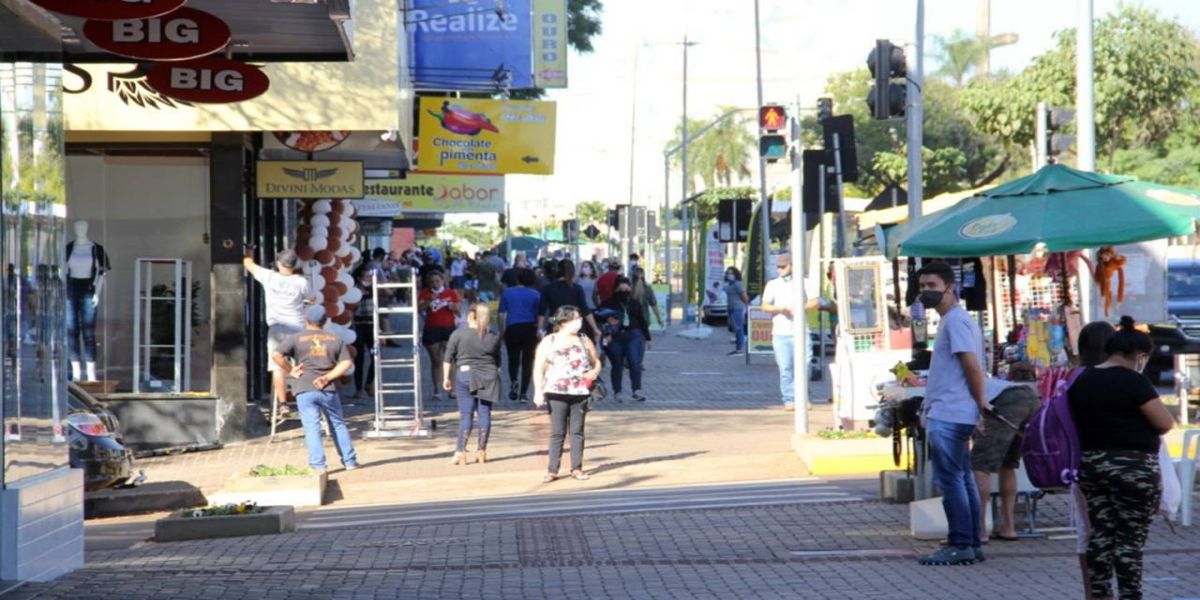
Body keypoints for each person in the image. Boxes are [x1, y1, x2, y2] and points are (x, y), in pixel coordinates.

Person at [1069, 316, 1174, 600]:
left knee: (1100, 534)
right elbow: (1164, 423)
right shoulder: (1134, 381)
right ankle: (1130, 594)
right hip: (1133, 469)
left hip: (1092, 467)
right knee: (1129, 537)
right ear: (1139, 356)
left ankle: (1100, 593)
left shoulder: (1083, 380)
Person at [913, 261, 988, 566]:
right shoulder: (954, 320)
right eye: (922, 287)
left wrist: (980, 404)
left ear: (949, 287)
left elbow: (971, 365)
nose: (926, 292)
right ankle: (970, 541)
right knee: (962, 478)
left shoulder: (956, 321)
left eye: (931, 286)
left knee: (951, 480)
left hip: (950, 413)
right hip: (955, 411)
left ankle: (960, 542)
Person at [271, 306, 359, 472]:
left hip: (304, 387)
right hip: (328, 388)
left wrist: (291, 370)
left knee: (311, 427)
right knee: (337, 424)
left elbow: (276, 355)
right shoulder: (335, 339)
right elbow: (346, 363)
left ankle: (318, 465)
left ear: (305, 319)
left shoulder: (296, 338)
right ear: (325, 321)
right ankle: (349, 461)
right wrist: (328, 377)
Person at [1069, 320, 1118, 599]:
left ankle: (1094, 592)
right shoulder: (1123, 377)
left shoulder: (1074, 378)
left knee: (1086, 532)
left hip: (1080, 464)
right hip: (1121, 463)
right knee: (1118, 530)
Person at [533, 305, 602, 483]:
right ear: (563, 322)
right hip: (556, 391)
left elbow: (596, 361)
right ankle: (552, 469)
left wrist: (594, 372)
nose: (579, 322)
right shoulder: (550, 340)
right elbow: (538, 367)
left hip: (580, 391)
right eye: (575, 319)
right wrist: (538, 390)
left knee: (577, 431)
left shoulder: (584, 339)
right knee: (557, 431)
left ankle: (576, 468)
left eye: (579, 318)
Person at [244, 247, 315, 409]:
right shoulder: (301, 282)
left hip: (276, 328)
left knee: (277, 366)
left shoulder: (269, 277)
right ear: (295, 264)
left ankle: (283, 404)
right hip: (298, 328)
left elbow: (248, 263)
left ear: (278, 263)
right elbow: (312, 298)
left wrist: (249, 251)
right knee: (304, 364)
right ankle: (307, 400)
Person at [970, 379, 1040, 542]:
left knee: (979, 463)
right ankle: (1008, 527)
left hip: (1006, 402)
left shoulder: (949, 391)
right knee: (1008, 464)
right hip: (1030, 397)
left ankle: (979, 529)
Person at [760, 253, 831, 410]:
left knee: (804, 365)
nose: (780, 270)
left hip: (801, 331)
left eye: (783, 267)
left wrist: (800, 308)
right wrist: (780, 308)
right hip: (780, 333)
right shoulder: (773, 284)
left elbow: (816, 302)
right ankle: (789, 400)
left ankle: (803, 397)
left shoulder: (805, 282)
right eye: (778, 267)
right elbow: (764, 305)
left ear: (792, 266)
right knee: (785, 368)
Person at [443, 303, 502, 465]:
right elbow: (498, 361)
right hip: (488, 375)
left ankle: (460, 451)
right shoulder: (493, 335)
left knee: (466, 415)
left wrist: (446, 378)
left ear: (470, 316)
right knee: (484, 413)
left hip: (465, 374)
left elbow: (448, 358)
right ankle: (482, 450)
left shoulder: (458, 334)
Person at [598, 277, 652, 402]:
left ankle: (637, 390)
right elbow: (598, 316)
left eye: (626, 287)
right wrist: (607, 320)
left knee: (634, 362)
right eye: (621, 287)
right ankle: (618, 391)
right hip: (614, 336)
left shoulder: (634, 303)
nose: (624, 290)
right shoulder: (608, 303)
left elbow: (642, 321)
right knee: (617, 364)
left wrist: (648, 338)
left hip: (633, 334)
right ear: (616, 288)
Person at [499, 269, 542, 403]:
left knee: (513, 359)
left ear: (518, 279)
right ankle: (523, 393)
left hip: (512, 328)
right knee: (528, 362)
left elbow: (501, 314)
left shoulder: (507, 292)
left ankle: (513, 381)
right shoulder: (536, 294)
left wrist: (502, 331)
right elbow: (538, 314)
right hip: (530, 329)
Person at [419, 272, 461, 402]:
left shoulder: (451, 293)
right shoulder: (425, 293)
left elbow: (459, 312)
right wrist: (429, 300)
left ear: (443, 281)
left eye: (437, 281)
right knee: (436, 361)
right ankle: (436, 390)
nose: (435, 284)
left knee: (450, 361)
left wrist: (453, 307)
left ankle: (451, 389)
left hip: (448, 329)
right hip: (432, 329)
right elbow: (418, 308)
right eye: (432, 281)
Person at [537, 259, 599, 342]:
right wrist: (595, 328)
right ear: (572, 271)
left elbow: (542, 312)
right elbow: (585, 310)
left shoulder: (548, 288)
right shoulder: (577, 288)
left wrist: (540, 329)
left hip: (555, 322)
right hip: (574, 325)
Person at [351, 267, 376, 401]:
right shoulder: (354, 291)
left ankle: (369, 383)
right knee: (358, 359)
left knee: (375, 356)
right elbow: (351, 309)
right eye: (366, 277)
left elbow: (389, 292)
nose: (369, 280)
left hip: (372, 325)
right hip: (359, 325)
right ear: (360, 278)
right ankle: (358, 389)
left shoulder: (374, 289)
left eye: (370, 277)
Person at [723, 267, 749, 356]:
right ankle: (738, 348)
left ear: (736, 274)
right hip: (731, 308)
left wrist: (745, 304)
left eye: (732, 273)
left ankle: (739, 350)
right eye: (728, 273)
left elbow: (745, 297)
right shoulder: (729, 284)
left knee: (738, 328)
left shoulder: (737, 284)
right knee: (735, 328)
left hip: (737, 308)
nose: (729, 275)